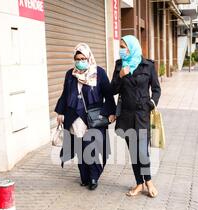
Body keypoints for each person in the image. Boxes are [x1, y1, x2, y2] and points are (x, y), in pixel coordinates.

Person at [55, 43, 116, 190]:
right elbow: (65, 94)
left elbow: (108, 95)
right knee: (80, 148)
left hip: (94, 117)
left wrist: (111, 112)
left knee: (92, 147)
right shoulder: (70, 74)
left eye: (83, 58)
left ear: (89, 58)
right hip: (74, 116)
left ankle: (94, 177)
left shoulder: (98, 73)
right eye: (77, 58)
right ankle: (84, 176)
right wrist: (60, 112)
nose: (80, 61)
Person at [111, 35, 161, 198]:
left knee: (142, 151)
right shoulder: (120, 65)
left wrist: (151, 103)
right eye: (120, 46)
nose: (121, 50)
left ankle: (149, 181)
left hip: (142, 115)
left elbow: (156, 89)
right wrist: (120, 76)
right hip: (126, 116)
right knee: (133, 152)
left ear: (132, 47)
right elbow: (112, 90)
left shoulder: (148, 65)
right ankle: (139, 183)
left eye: (123, 46)